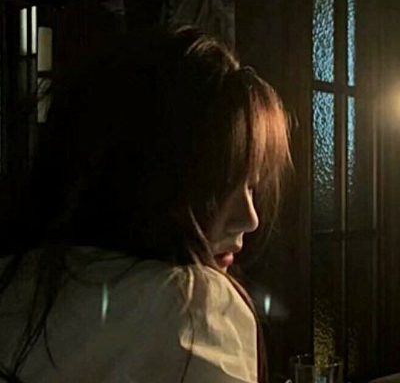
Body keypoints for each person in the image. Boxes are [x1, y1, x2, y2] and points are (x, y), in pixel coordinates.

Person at [0, 25, 291, 383]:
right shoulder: (189, 303)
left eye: (252, 187)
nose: (250, 219)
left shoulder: (16, 281)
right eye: (217, 190)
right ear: (146, 178)